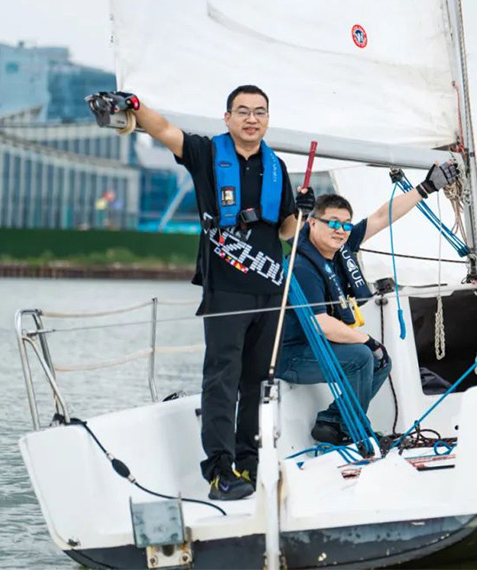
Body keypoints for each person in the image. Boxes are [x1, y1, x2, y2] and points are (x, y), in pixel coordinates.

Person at [87, 85, 315, 500]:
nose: (251, 119)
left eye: (259, 112)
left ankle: (249, 463)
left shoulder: (276, 166)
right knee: (222, 380)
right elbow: (164, 130)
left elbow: (286, 231)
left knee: (258, 382)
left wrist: (303, 214)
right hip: (226, 288)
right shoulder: (207, 153)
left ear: (267, 119)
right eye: (242, 111)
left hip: (269, 289)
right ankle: (220, 471)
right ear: (227, 118)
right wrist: (135, 105)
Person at [278, 162, 458, 445]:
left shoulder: (341, 248)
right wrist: (368, 341)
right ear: (312, 223)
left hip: (313, 350)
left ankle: (335, 422)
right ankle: (354, 429)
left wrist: (425, 188)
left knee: (380, 361)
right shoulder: (302, 266)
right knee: (363, 356)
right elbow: (320, 324)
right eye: (332, 223)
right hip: (290, 357)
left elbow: (381, 217)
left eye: (345, 224)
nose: (340, 230)